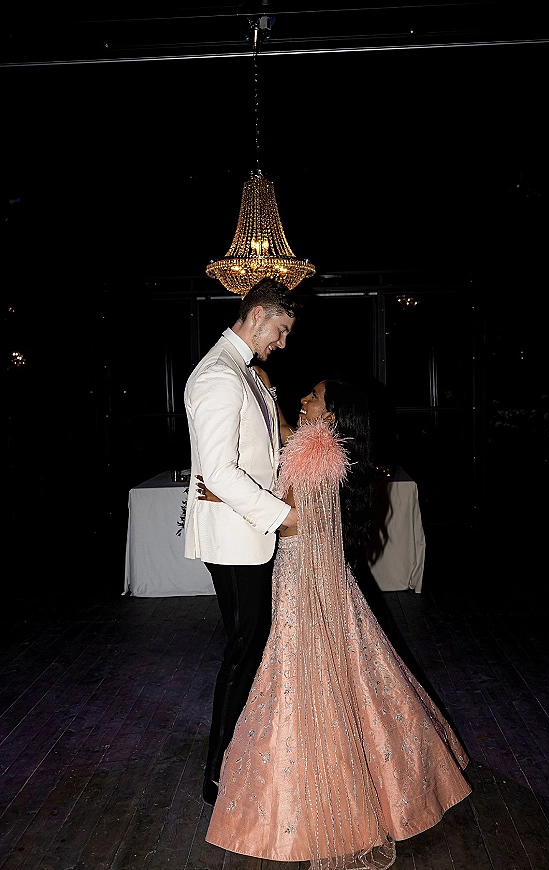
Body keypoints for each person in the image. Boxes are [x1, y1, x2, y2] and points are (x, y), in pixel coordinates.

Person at [202, 378, 472, 869]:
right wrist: (277, 408)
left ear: (331, 415)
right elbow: (292, 451)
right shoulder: (320, 444)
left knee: (306, 679)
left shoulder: (319, 450)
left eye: (314, 397)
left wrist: (223, 497)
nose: (304, 399)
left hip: (303, 576)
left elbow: (297, 522)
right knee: (355, 668)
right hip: (316, 573)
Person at [182, 277, 300, 807]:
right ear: (258, 316)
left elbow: (256, 452)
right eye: (279, 330)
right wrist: (282, 515)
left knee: (249, 643)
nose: (282, 342)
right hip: (233, 536)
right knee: (243, 646)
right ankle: (218, 770)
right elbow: (220, 474)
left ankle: (238, 752)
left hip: (244, 531)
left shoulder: (243, 371)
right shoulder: (218, 377)